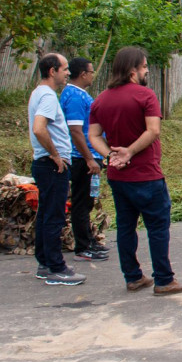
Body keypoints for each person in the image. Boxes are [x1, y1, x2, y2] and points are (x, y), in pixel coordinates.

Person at [89, 47, 182, 295]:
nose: (147, 71)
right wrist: (129, 152)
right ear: (133, 69)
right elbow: (153, 130)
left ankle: (133, 277)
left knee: (125, 227)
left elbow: (93, 135)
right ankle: (164, 280)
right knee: (157, 227)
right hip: (146, 174)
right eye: (145, 67)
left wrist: (110, 155)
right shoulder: (145, 96)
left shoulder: (101, 99)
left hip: (118, 177)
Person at [28, 53, 86, 286]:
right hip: (52, 165)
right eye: (64, 69)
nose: (67, 73)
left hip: (44, 164)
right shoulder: (48, 97)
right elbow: (39, 128)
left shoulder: (38, 93)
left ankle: (44, 262)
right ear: (52, 71)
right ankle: (56, 267)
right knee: (54, 216)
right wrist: (55, 154)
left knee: (45, 213)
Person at [60, 57, 109, 262]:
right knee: (81, 202)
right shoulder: (74, 96)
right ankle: (83, 246)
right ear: (82, 74)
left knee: (88, 201)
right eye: (90, 72)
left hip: (90, 156)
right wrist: (89, 158)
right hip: (82, 158)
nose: (92, 75)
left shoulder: (79, 94)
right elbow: (76, 131)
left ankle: (89, 239)